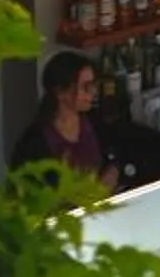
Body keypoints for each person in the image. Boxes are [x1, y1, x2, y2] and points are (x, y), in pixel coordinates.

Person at [13, 50, 119, 190]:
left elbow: (113, 156)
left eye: (93, 85)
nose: (93, 92)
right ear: (61, 92)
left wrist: (113, 171)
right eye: (85, 87)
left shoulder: (94, 121)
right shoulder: (34, 144)